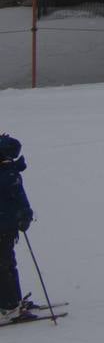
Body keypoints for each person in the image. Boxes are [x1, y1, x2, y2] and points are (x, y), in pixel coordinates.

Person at [0, 135, 30, 321]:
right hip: (4, 226)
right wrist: (25, 216)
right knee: (6, 265)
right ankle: (9, 306)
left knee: (6, 264)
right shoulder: (8, 174)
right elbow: (19, 199)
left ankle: (12, 301)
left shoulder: (8, 172)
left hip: (6, 225)